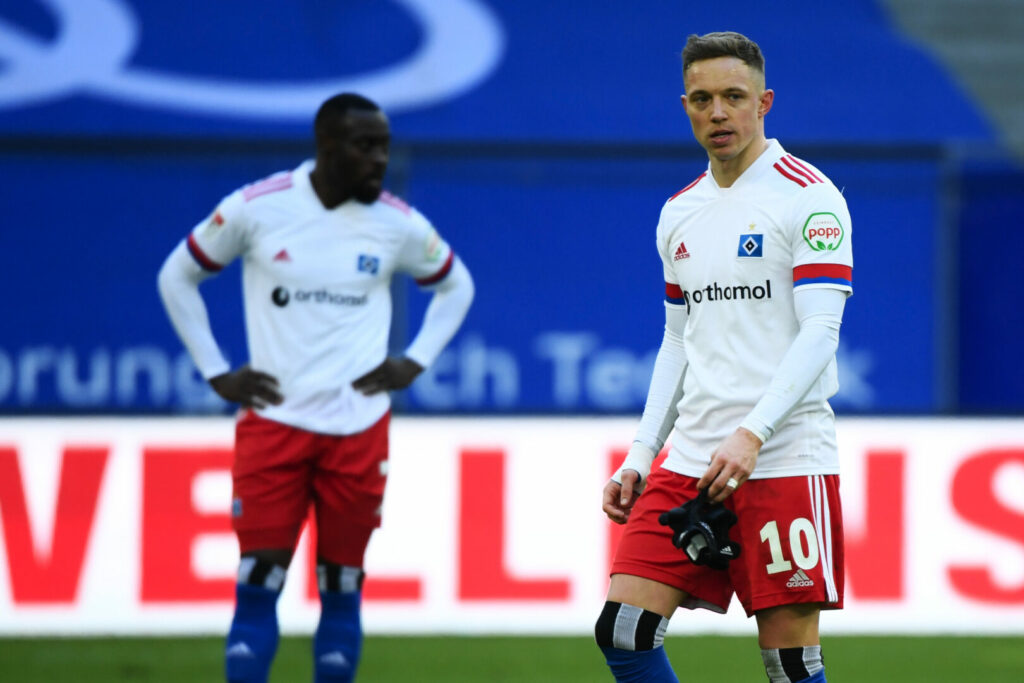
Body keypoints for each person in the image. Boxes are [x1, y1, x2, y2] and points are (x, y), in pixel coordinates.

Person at [157, 92, 474, 682]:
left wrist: (414, 362)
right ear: (327, 145)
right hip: (274, 425)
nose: (379, 159)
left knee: (342, 585)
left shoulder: (397, 223)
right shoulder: (258, 207)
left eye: (384, 146)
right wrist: (216, 370)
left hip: (358, 430)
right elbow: (178, 275)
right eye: (364, 146)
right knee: (259, 580)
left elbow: (457, 285)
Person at [597, 32, 852, 683]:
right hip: (691, 457)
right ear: (685, 106)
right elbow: (678, 340)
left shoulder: (810, 197)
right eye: (702, 99)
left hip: (782, 454)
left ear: (764, 102)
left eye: (734, 97)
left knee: (788, 663)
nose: (718, 112)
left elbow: (821, 331)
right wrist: (640, 454)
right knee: (623, 631)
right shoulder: (678, 213)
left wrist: (753, 432)